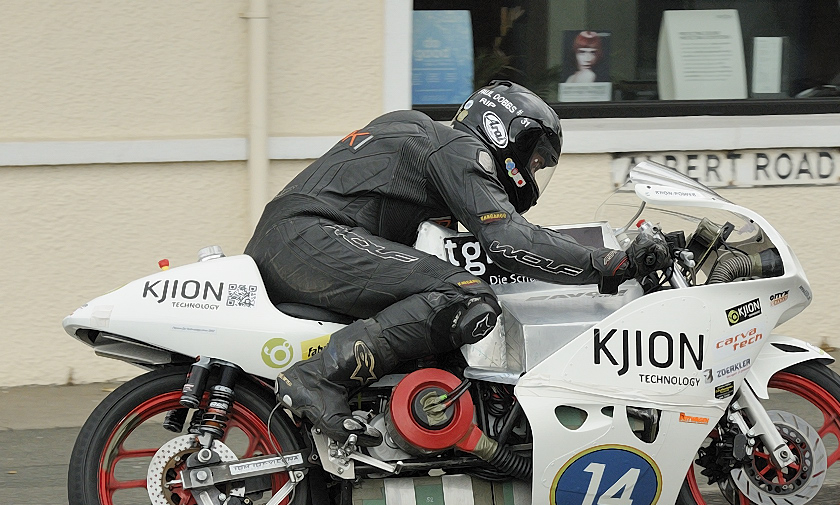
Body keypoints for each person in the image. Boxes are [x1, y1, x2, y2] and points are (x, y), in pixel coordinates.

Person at [245, 81, 672, 447]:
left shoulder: (429, 142)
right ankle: (320, 377)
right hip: (309, 237)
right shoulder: (457, 149)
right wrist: (608, 264)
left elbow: (513, 233)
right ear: (504, 134)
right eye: (536, 160)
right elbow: (507, 239)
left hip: (294, 236)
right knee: (465, 296)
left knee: (437, 302)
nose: (534, 172)